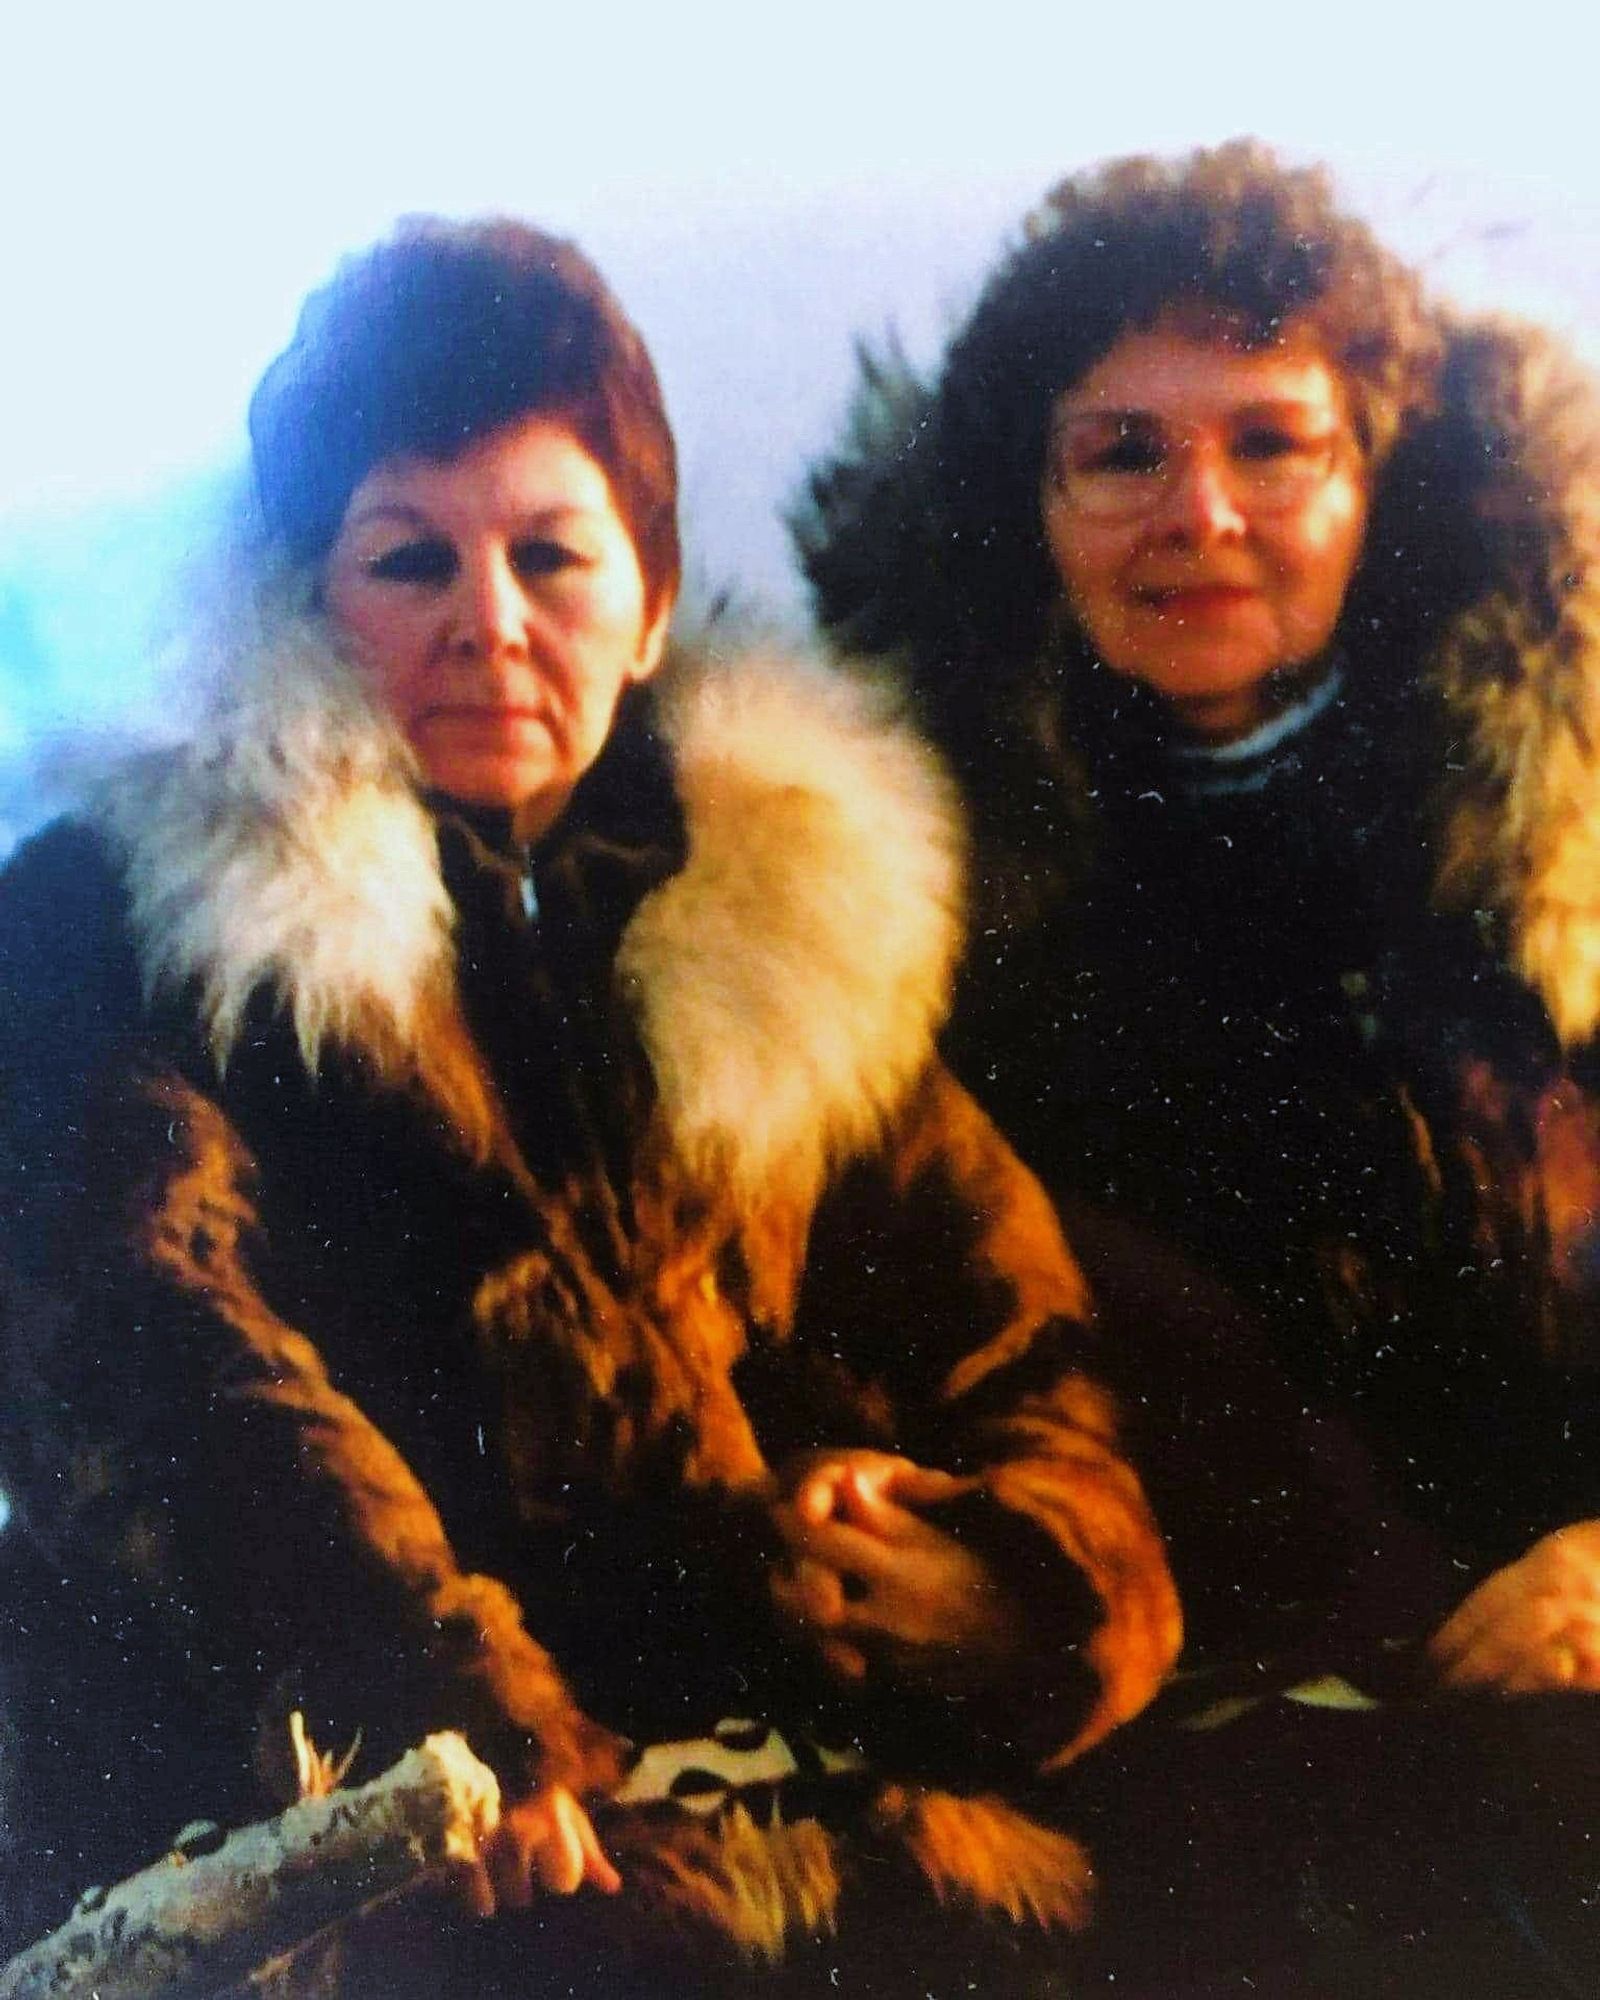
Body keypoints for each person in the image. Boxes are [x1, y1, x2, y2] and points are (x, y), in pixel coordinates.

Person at [0, 217, 1181, 1993]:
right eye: (409, 561)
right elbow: (152, 1355)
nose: (490, 624)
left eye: (553, 553)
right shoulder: (124, 920)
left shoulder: (795, 931)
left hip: (793, 1816)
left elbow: (1024, 1349)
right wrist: (422, 1719)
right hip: (356, 1845)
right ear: (305, 601)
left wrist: (989, 1576)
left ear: (644, 602)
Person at [797, 141, 1599, 1991]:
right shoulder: (910, 909)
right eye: (1124, 454)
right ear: (1033, 499)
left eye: (1270, 444)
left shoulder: (1548, 850)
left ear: (1372, 477)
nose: (1201, 515)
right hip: (1192, 1733)